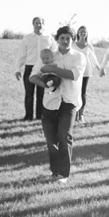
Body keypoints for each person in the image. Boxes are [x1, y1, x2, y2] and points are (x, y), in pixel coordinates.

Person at [30, 26, 85, 182]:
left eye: (68, 38)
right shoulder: (48, 56)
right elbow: (33, 76)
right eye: (62, 38)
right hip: (49, 102)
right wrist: (45, 84)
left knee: (64, 135)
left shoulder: (78, 57)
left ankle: (63, 174)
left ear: (73, 40)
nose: (65, 41)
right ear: (57, 39)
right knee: (51, 140)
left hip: (69, 102)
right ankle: (54, 172)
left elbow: (73, 75)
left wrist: (51, 69)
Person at [13, 16, 57, 121]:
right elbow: (21, 55)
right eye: (36, 23)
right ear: (33, 24)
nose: (38, 25)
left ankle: (39, 116)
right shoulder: (27, 38)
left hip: (43, 69)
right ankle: (28, 116)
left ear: (43, 25)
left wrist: (53, 67)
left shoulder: (49, 38)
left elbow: (54, 53)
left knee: (41, 93)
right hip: (30, 67)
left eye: (40, 23)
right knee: (29, 94)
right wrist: (17, 69)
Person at [73, 25, 102, 122]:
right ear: (78, 33)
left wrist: (99, 68)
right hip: (75, 72)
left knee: (82, 94)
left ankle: (81, 114)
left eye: (84, 32)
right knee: (75, 92)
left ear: (86, 34)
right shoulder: (73, 45)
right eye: (81, 31)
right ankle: (75, 114)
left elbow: (93, 59)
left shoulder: (89, 46)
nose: (83, 33)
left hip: (86, 73)